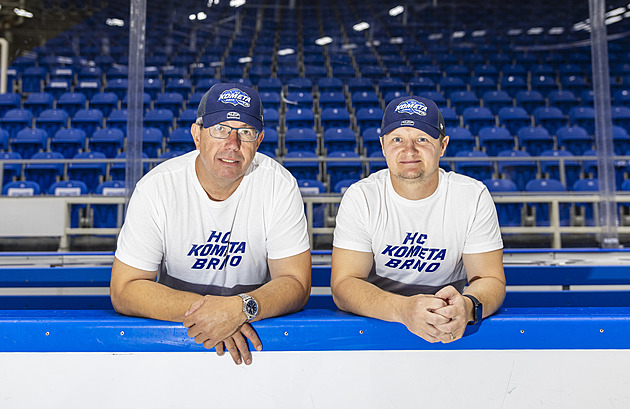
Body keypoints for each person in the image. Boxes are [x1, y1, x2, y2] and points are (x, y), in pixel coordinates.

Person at [110, 82, 311, 364]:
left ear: (259, 140)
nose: (233, 144)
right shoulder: (157, 187)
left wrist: (239, 308)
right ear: (197, 134)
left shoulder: (279, 185)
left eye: (246, 133)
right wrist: (218, 314)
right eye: (220, 130)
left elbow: (296, 283)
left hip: (255, 347)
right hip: (177, 339)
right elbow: (124, 289)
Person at [330, 96, 505, 343]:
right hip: (377, 326)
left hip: (449, 326)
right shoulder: (362, 197)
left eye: (422, 139)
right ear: (382, 145)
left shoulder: (472, 195)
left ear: (443, 145)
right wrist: (403, 309)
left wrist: (467, 306)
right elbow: (344, 285)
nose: (408, 150)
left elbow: (489, 279)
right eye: (397, 139)